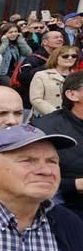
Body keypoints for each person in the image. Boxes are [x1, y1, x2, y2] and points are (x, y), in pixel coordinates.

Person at [33, 71, 83, 219]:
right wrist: (75, 185)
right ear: (72, 95)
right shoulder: (44, 129)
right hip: (64, 212)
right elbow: (30, 178)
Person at [29, 46, 79, 117]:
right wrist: (56, 114)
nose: (70, 58)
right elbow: (36, 99)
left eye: (74, 56)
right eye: (65, 56)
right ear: (56, 58)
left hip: (73, 118)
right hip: (47, 118)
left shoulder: (78, 76)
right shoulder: (41, 75)